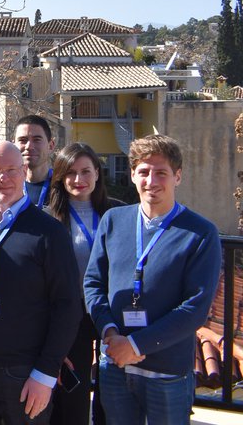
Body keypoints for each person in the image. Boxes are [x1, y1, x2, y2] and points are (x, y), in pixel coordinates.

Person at [84, 135, 222, 425]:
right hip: (115, 365)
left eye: (161, 172)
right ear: (132, 175)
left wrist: (134, 345)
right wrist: (109, 332)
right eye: (144, 172)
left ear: (178, 176)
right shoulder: (113, 220)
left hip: (167, 371)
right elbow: (93, 283)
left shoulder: (201, 233)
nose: (152, 180)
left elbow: (195, 308)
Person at [0, 141, 82, 425]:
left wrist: (45, 374)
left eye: (11, 170)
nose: (3, 179)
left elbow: (68, 305)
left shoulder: (49, 231)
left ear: (24, 171)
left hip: (25, 373)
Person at [44, 144, 121, 425]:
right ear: (61, 178)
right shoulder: (48, 218)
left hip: (108, 311)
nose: (79, 180)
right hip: (70, 313)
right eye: (71, 173)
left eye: (86, 171)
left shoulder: (119, 214)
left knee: (111, 385)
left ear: (98, 174)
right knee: (73, 387)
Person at [14, 115, 56, 209]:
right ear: (13, 145)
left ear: (51, 146)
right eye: (23, 140)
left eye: (37, 140)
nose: (29, 146)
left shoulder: (63, 188)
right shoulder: (8, 187)